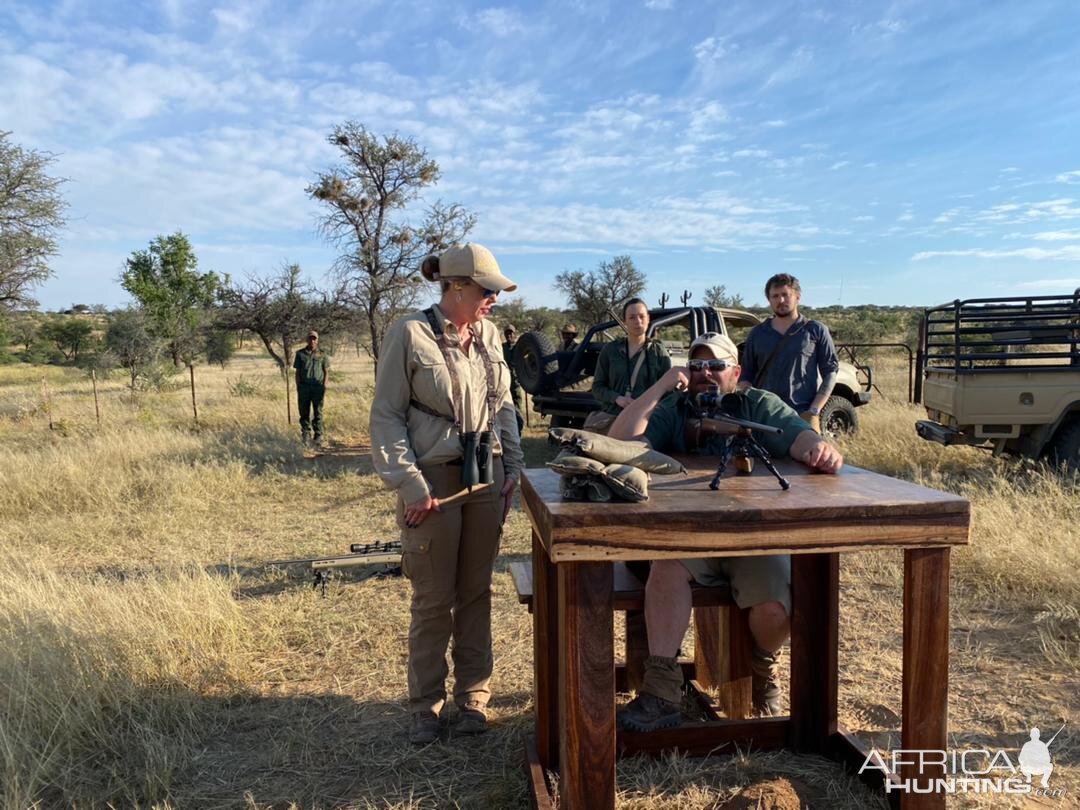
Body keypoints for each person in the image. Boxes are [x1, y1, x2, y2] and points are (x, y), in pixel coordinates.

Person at [608, 331, 843, 730]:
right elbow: (617, 441)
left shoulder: (758, 404)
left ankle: (762, 668)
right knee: (666, 570)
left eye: (716, 366)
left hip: (750, 538)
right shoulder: (676, 406)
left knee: (774, 605)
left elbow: (798, 434)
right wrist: (664, 384)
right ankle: (661, 689)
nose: (705, 374)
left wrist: (816, 448)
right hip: (690, 537)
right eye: (697, 366)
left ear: (736, 371)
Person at [370, 243, 524, 746]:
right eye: (486, 290)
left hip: (486, 473)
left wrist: (513, 467)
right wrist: (410, 484)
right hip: (432, 480)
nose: (493, 300)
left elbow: (503, 406)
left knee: (476, 592)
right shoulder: (408, 333)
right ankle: (425, 707)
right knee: (435, 598)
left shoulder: (490, 334)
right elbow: (386, 416)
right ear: (455, 286)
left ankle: (474, 698)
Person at [738, 274, 839, 434]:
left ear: (797, 297)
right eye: (775, 296)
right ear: (769, 300)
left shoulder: (815, 330)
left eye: (786, 295)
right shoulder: (757, 334)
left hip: (801, 416)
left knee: (807, 458)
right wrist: (749, 406)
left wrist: (814, 410)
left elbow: (830, 373)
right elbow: (746, 375)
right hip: (764, 418)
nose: (781, 300)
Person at [589, 299, 671, 430]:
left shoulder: (658, 352)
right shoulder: (610, 350)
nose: (638, 322)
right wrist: (617, 398)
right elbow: (597, 388)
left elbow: (668, 391)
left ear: (648, 318)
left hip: (645, 422)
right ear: (624, 321)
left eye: (641, 316)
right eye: (632, 317)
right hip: (613, 418)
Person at [293, 330, 329, 447]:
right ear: (307, 340)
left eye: (314, 338)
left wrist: (324, 385)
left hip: (318, 387)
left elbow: (326, 371)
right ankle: (306, 434)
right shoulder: (300, 354)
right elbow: (297, 372)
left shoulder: (323, 354)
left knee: (318, 411)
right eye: (310, 338)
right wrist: (298, 387)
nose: (312, 341)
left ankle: (318, 435)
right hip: (304, 387)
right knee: (304, 412)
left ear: (317, 340)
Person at [502, 325, 525, 433]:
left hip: (516, 382)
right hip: (505, 382)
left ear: (514, 334)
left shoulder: (520, 348)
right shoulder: (502, 347)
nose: (509, 335)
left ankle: (519, 430)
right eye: (507, 333)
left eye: (511, 333)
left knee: (517, 407)